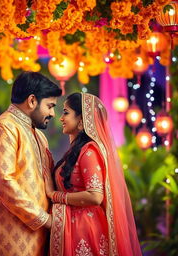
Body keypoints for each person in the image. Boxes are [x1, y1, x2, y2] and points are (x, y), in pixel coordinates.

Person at [44, 92, 142, 256]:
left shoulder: (89, 151)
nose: (61, 118)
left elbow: (95, 196)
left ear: (82, 121)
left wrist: (55, 196)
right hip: (75, 227)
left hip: (85, 229)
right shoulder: (76, 151)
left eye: (66, 112)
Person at [0, 71, 62, 255]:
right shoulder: (3, 128)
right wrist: (45, 220)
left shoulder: (39, 136)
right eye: (50, 106)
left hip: (38, 236)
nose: (52, 113)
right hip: (8, 237)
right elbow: (3, 183)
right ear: (32, 100)